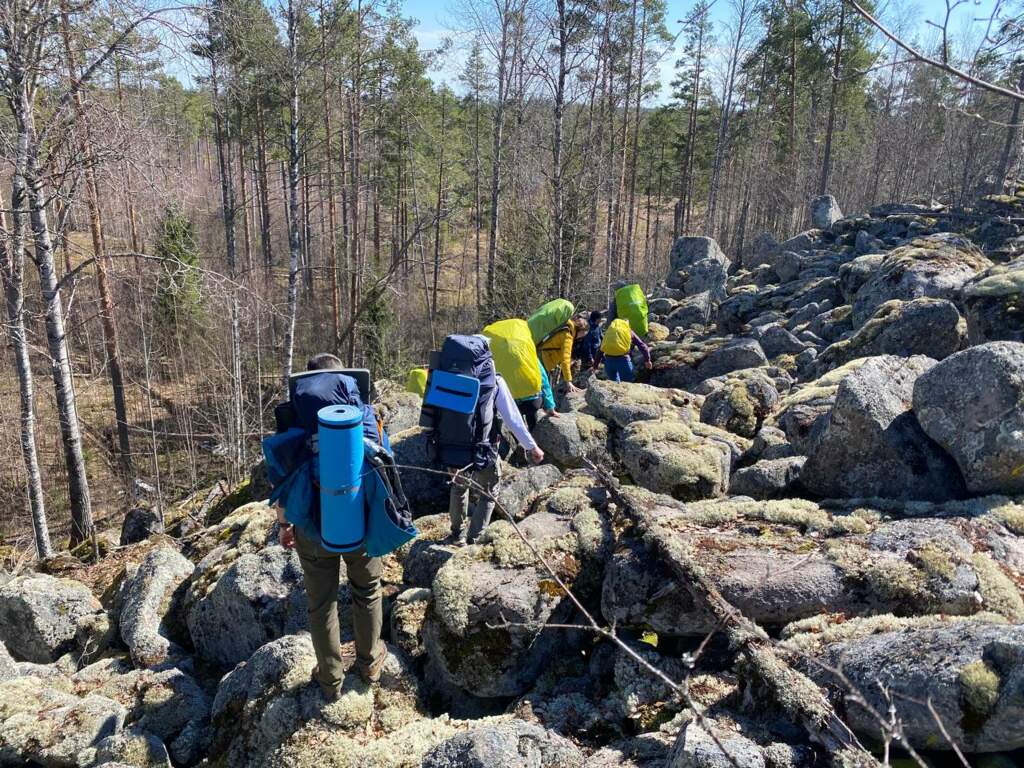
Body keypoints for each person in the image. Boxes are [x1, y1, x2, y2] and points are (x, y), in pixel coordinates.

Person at [275, 353, 386, 699]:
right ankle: (369, 665)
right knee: (366, 591)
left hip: (311, 525)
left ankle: (330, 680)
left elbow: (281, 478)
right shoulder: (367, 415)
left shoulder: (293, 419)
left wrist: (284, 525)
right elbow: (386, 468)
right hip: (360, 520)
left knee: (321, 603)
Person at [434, 335, 544, 545]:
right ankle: (474, 538)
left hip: (450, 446)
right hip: (484, 447)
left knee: (458, 486)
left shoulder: (445, 375)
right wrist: (532, 447)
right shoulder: (493, 381)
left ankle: (457, 534)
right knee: (489, 491)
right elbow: (513, 419)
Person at [538, 315, 588, 394]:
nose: (580, 338)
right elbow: (565, 359)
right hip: (545, 360)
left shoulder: (565, 326)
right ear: (579, 330)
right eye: (582, 335)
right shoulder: (568, 336)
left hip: (541, 355)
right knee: (543, 387)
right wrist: (568, 381)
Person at [515, 357, 558, 431]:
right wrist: (550, 406)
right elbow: (543, 381)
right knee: (531, 414)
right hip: (533, 402)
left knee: (516, 418)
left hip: (511, 402)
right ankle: (533, 433)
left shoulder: (496, 351)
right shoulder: (529, 352)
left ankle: (518, 437)